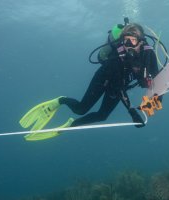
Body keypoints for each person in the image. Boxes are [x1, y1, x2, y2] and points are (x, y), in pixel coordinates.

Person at [20, 23, 160, 140]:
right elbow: (119, 88)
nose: (128, 45)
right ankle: (61, 101)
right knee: (81, 109)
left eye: (132, 41)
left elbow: (158, 82)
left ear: (141, 41)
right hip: (103, 78)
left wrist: (154, 102)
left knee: (102, 116)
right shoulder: (118, 57)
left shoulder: (149, 55)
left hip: (119, 85)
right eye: (125, 40)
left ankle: (71, 125)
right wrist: (132, 113)